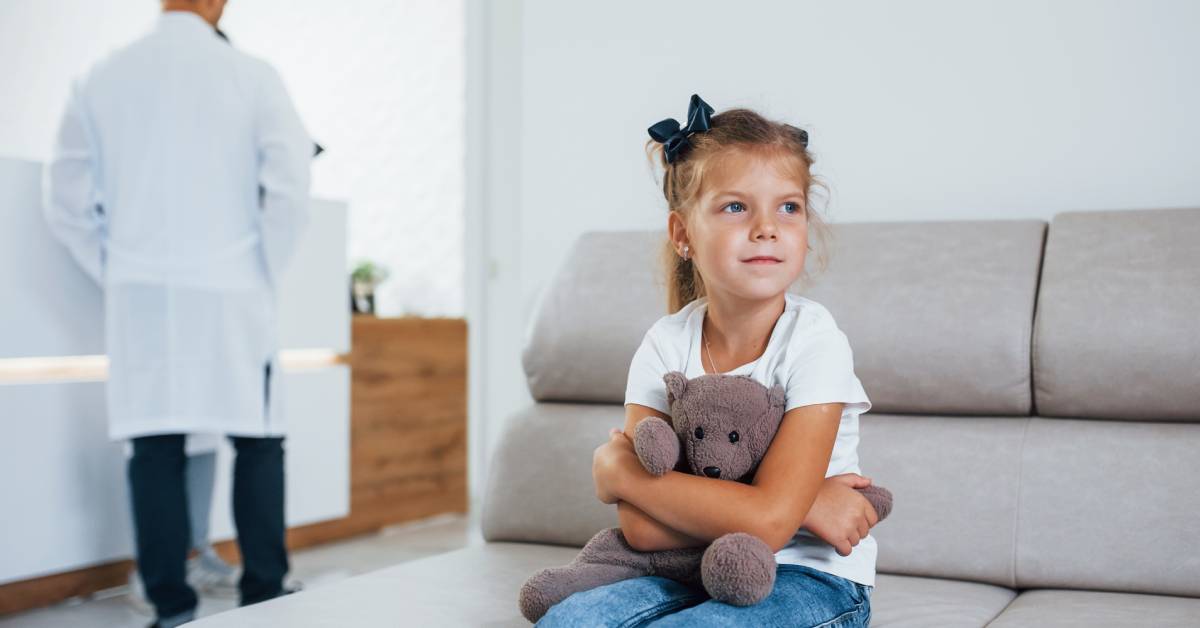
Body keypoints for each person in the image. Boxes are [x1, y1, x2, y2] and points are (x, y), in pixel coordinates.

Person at [539, 95, 878, 626]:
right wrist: (802, 507)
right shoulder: (664, 343)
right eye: (736, 206)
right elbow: (643, 532)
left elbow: (766, 524)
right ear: (683, 235)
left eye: (788, 207)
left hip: (808, 575)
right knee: (569, 619)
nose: (767, 227)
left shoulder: (816, 342)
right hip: (683, 568)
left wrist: (621, 474)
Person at [42, 0, 313, 625]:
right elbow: (291, 187)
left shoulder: (98, 77)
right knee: (258, 441)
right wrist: (260, 270)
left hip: (142, 297)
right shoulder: (252, 74)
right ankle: (264, 599)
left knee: (155, 446)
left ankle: (171, 608)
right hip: (235, 291)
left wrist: (119, 270)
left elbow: (65, 199)